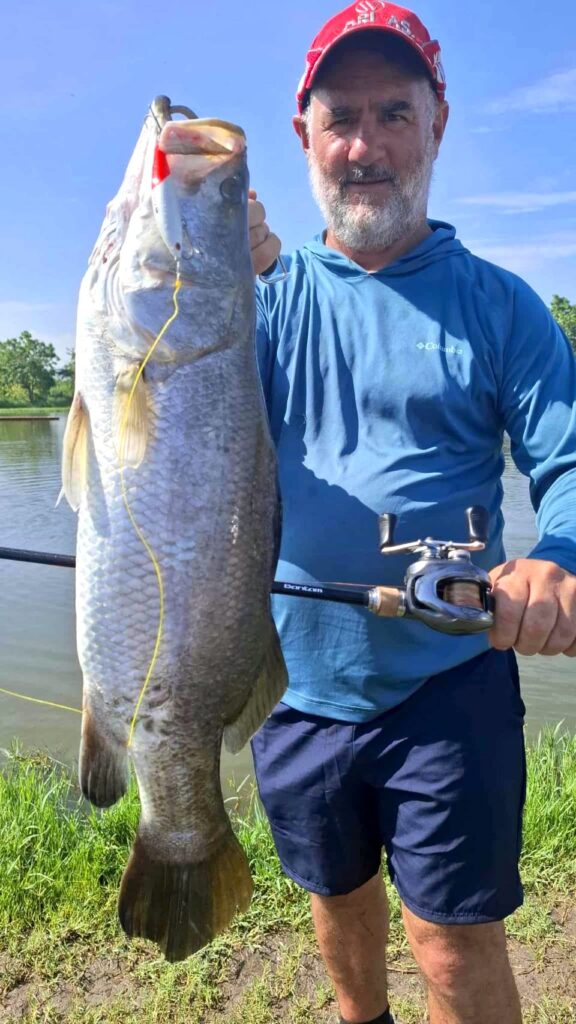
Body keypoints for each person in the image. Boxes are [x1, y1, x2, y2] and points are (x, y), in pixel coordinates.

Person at [247, 4, 576, 1023]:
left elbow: (566, 461)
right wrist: (209, 253)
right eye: (342, 115)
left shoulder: (502, 303)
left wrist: (557, 557)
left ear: (439, 123)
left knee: (450, 938)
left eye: (396, 111)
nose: (366, 144)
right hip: (290, 679)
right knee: (336, 899)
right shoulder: (259, 298)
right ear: (304, 135)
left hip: (448, 678)